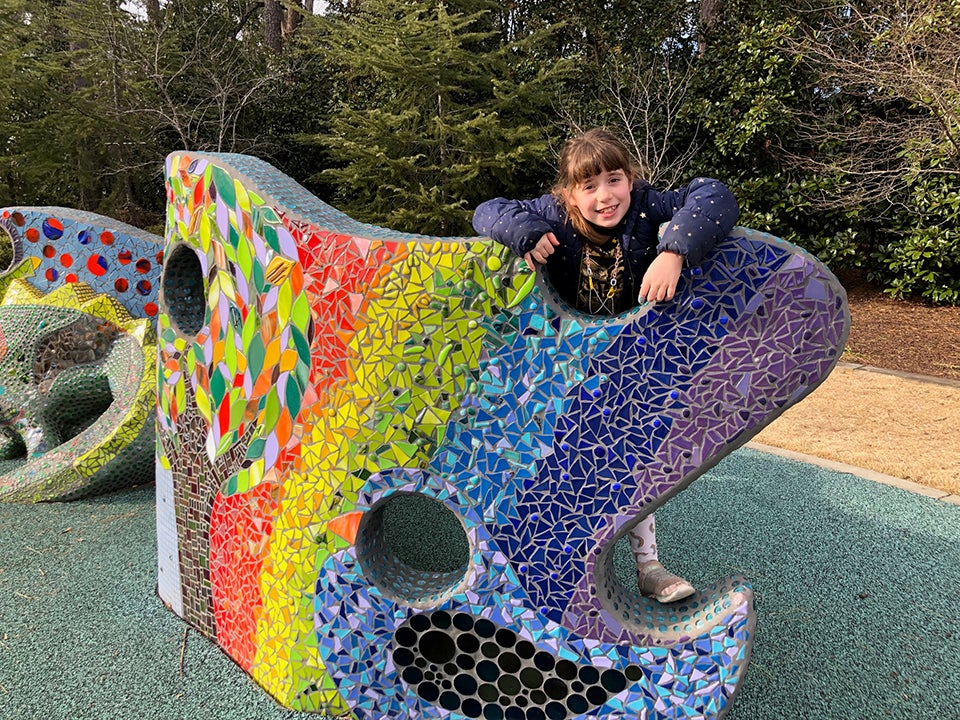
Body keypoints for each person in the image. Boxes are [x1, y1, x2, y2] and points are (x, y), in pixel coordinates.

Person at [472, 128, 739, 603]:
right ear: (568, 193)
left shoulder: (647, 208)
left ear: (630, 180)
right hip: (560, 363)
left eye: (613, 180)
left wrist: (674, 250)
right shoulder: (552, 215)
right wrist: (526, 234)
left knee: (628, 461)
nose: (604, 196)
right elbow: (487, 210)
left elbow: (714, 194)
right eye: (588, 186)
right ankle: (540, 566)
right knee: (553, 462)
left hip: (622, 363)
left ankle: (648, 566)